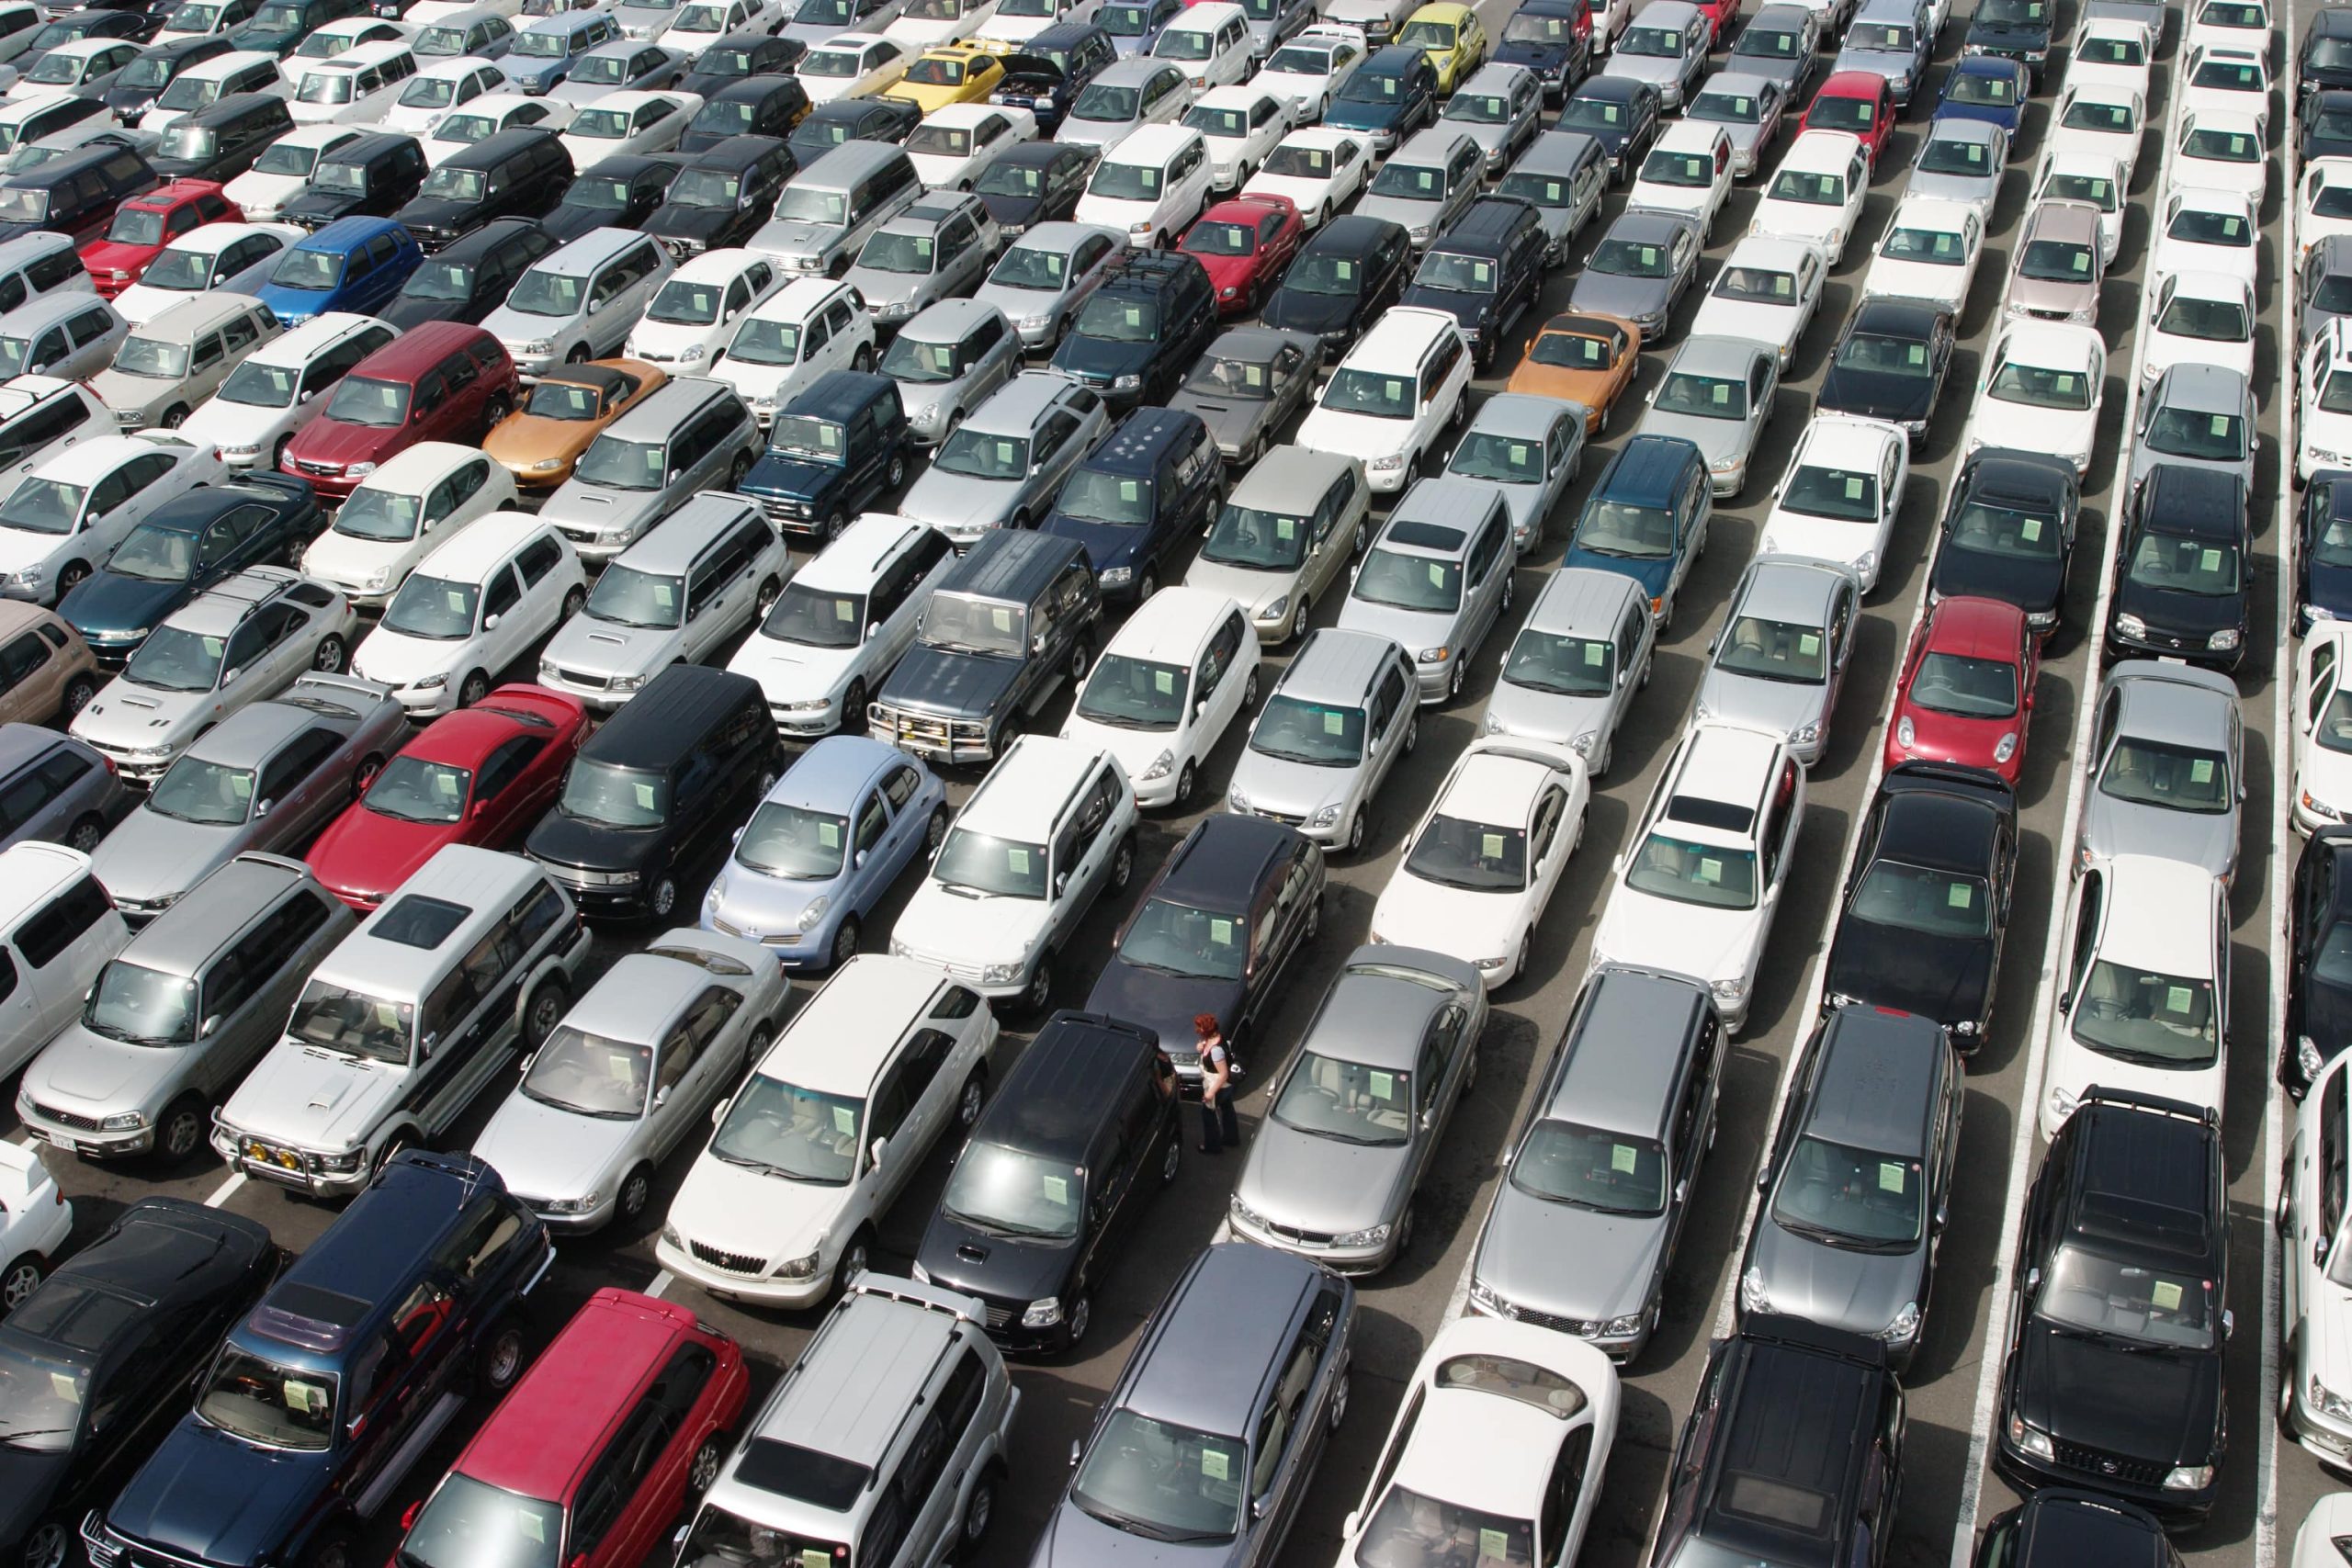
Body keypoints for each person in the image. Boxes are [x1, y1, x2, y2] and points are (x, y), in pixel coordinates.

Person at [1196, 1013, 1238, 1153]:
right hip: (1226, 1086)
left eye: (1200, 1028)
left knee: (1208, 1114)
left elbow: (1223, 1074)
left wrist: (1210, 1093)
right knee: (1227, 1108)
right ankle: (1231, 1139)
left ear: (1205, 1030)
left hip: (1218, 1086)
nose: (1197, 1030)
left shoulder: (1216, 1051)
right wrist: (1202, 1046)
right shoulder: (1218, 1039)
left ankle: (1212, 1146)